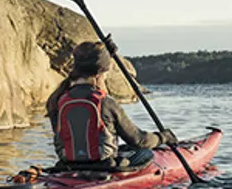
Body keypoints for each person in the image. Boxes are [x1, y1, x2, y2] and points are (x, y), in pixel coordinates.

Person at [45, 40, 177, 169]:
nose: (105, 79)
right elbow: (139, 140)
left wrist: (107, 55)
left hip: (69, 166)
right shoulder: (106, 102)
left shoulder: (57, 101)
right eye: (105, 75)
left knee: (124, 149)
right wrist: (163, 137)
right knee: (146, 153)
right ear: (98, 75)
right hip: (104, 166)